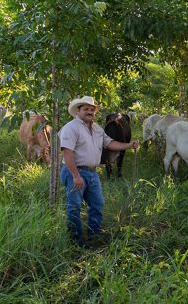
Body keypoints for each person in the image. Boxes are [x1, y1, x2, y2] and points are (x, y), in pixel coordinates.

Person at [59, 96, 139, 247]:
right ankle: (76, 240)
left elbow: (110, 144)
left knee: (97, 204)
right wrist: (76, 176)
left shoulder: (97, 129)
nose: (90, 112)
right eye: (86, 109)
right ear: (78, 111)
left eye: (92, 109)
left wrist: (129, 146)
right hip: (74, 171)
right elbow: (67, 153)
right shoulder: (71, 127)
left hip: (92, 172)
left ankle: (94, 234)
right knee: (74, 206)